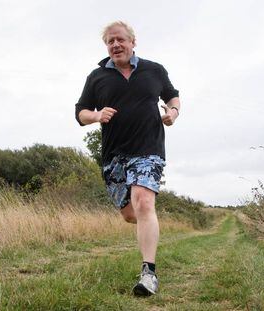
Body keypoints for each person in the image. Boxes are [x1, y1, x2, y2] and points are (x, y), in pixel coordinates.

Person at [75, 21, 180, 296]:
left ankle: (149, 274)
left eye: (120, 40)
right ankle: (150, 224)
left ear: (133, 42)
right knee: (131, 213)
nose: (115, 45)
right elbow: (81, 113)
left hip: (148, 149)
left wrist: (173, 112)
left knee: (144, 202)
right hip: (114, 156)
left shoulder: (154, 70)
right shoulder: (97, 77)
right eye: (110, 41)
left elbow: (173, 97)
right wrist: (97, 115)